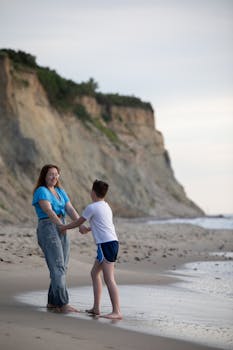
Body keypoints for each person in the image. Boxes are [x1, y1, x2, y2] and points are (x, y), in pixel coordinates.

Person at [59, 179, 122, 320]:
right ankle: (96, 308)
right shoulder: (105, 206)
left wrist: (64, 227)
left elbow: (78, 222)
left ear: (93, 192)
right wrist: (88, 229)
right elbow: (102, 224)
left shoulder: (92, 207)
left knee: (109, 278)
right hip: (108, 243)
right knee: (94, 273)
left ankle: (117, 311)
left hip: (107, 244)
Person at [32, 164, 83, 313]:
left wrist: (79, 224)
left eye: (56, 174)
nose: (54, 177)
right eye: (50, 174)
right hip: (48, 227)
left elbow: (70, 209)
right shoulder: (41, 191)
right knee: (58, 265)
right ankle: (63, 303)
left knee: (62, 266)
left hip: (62, 226)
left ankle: (53, 302)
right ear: (44, 176)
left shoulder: (60, 191)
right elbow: (48, 210)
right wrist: (61, 225)